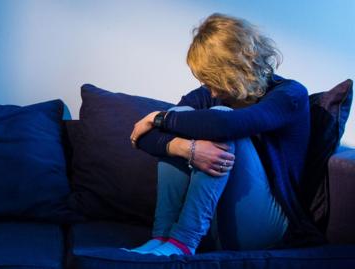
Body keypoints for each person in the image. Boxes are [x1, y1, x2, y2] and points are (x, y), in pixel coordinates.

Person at [125, 13, 324, 256]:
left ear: (239, 69)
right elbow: (144, 138)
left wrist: (159, 117)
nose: (211, 90)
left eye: (215, 80)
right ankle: (162, 238)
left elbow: (225, 124)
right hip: (217, 224)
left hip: (270, 226)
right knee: (182, 114)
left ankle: (183, 243)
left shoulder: (290, 95)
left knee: (214, 116)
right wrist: (186, 149)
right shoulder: (212, 93)